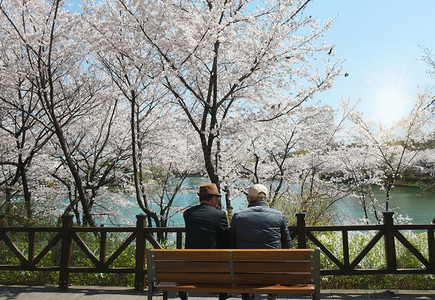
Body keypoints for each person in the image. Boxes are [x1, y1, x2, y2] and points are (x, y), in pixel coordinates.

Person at [230, 184, 291, 300]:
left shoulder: (238, 216)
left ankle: (248, 297)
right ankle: (272, 295)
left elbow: (231, 244)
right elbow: (287, 245)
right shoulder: (279, 216)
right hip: (272, 273)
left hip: (245, 274)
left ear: (250, 199)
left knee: (245, 266)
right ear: (267, 199)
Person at [180, 183, 230, 300]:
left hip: (191, 266)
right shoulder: (220, 215)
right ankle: (224, 294)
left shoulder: (188, 214)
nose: (218, 201)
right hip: (214, 267)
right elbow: (226, 240)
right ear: (213, 198)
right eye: (218, 198)